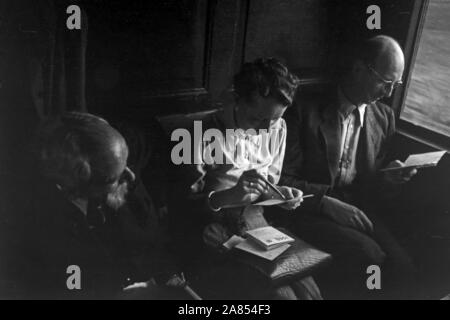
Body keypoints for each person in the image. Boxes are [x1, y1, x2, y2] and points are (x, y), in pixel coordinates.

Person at [172, 58, 322, 300]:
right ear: (237, 100)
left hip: (258, 224)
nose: (265, 129)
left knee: (310, 291)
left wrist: (281, 195)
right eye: (256, 119)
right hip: (213, 230)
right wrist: (231, 195)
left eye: (273, 120)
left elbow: (269, 184)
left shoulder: (277, 128)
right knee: (284, 297)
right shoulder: (200, 133)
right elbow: (181, 205)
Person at [281, 35, 417, 299]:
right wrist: (324, 202)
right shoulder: (304, 109)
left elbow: (372, 188)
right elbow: (283, 179)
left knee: (405, 268)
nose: (389, 93)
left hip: (358, 208)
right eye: (385, 82)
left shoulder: (383, 117)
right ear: (358, 68)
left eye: (396, 84)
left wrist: (389, 179)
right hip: (310, 210)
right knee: (370, 257)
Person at [1, 112, 185, 299]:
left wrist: (165, 281)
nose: (131, 177)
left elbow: (153, 243)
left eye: (126, 165)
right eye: (115, 177)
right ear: (77, 185)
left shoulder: (119, 157)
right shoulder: (30, 220)